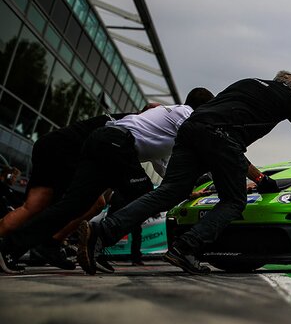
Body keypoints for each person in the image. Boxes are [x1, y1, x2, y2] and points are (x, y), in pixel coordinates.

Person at [76, 70, 291, 275]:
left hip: (190, 131)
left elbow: (224, 140)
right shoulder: (287, 99)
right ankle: (186, 247)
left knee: (169, 193)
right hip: (220, 137)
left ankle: (102, 231)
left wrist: (260, 178)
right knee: (234, 201)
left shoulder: (246, 83)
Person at [0, 88, 214, 274]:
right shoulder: (186, 113)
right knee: (144, 193)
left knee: (74, 205)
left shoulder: (163, 127)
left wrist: (186, 191)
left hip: (101, 141)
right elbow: (202, 143)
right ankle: (97, 243)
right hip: (116, 143)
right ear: (204, 108)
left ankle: (10, 248)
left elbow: (166, 171)